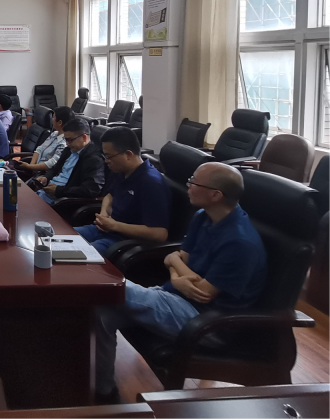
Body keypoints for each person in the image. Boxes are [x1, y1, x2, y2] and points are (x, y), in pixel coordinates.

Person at [95, 162, 266, 404]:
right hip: (177, 298)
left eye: (194, 183)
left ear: (216, 195)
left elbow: (203, 292)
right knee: (103, 312)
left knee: (109, 288)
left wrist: (174, 266)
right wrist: (177, 275)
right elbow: (177, 258)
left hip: (207, 322)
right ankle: (104, 392)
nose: (188, 187)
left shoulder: (240, 242)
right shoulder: (202, 216)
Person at [74, 127, 170, 255]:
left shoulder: (151, 183)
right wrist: (104, 213)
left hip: (123, 242)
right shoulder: (121, 170)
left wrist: (114, 225)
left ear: (128, 155)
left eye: (109, 156)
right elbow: (109, 195)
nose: (106, 161)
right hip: (104, 230)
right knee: (58, 238)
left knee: (75, 255)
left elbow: (160, 234)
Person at [35, 118, 105, 205]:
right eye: (66, 140)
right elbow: (55, 168)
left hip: (63, 201)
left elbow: (91, 190)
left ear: (84, 138)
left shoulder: (94, 160)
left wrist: (59, 191)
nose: (67, 143)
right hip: (48, 192)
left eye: (70, 140)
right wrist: (46, 177)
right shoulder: (69, 150)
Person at [15, 106, 75, 180]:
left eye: (53, 118)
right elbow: (39, 149)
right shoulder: (54, 134)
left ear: (60, 122)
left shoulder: (64, 143)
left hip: (44, 175)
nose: (52, 120)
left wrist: (30, 167)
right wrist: (31, 166)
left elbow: (51, 164)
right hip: (35, 169)